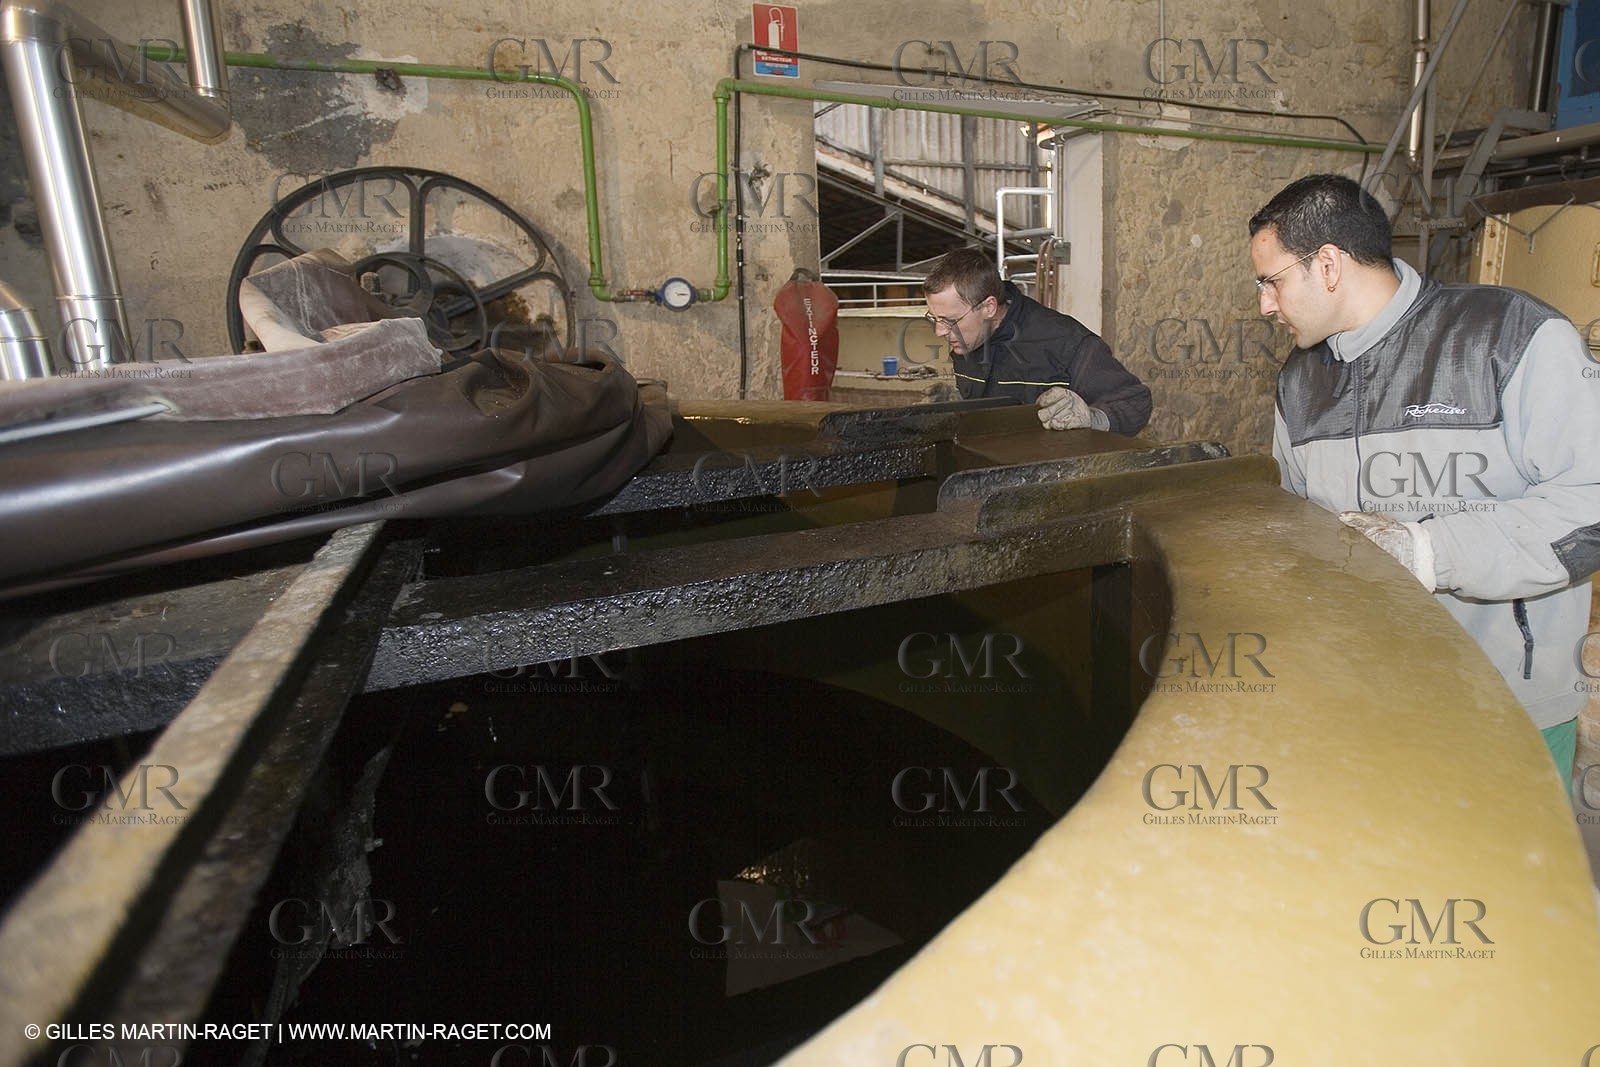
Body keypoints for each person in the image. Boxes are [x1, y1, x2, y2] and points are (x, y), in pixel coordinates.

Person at [1252, 173, 1600, 787]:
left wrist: (1429, 551)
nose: (1265, 305)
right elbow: (1296, 521)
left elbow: (1590, 504)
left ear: (1328, 265)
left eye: (1271, 280)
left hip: (1508, 701)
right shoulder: (1301, 382)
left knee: (1514, 878)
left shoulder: (1509, 336)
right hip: (1369, 699)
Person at [921, 248, 1151, 434]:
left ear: (988, 307)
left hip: (1054, 482)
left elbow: (1135, 402)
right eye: (935, 319)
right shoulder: (967, 337)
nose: (940, 331)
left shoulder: (1063, 341)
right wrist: (958, 404)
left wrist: (1094, 419)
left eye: (950, 320)